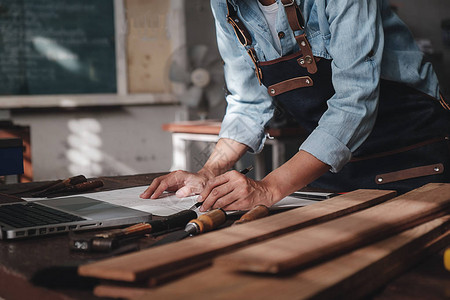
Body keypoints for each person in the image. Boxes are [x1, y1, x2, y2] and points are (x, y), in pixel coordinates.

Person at [141, 0, 450, 211]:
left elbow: (354, 101)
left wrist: (268, 189)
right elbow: (248, 102)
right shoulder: (225, 5)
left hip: (415, 164)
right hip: (335, 175)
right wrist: (211, 171)